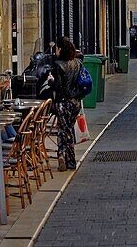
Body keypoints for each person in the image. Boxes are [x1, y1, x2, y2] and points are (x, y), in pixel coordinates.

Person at [51, 36, 82, 171]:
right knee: (65, 129)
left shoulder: (58, 65)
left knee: (65, 131)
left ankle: (69, 159)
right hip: (75, 102)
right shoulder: (77, 63)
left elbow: (58, 86)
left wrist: (51, 81)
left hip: (63, 102)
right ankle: (61, 155)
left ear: (60, 49)